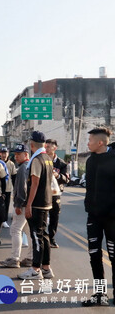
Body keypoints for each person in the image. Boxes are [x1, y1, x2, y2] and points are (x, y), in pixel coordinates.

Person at [81, 127, 115, 307]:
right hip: (93, 217)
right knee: (94, 255)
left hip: (112, 219)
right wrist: (89, 207)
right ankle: (100, 294)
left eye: (90, 140)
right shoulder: (90, 161)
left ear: (100, 142)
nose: (88, 143)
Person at [18, 131, 54, 280]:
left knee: (36, 236)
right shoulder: (48, 158)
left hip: (37, 203)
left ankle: (35, 269)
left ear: (31, 144)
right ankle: (46, 268)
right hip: (46, 202)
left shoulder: (37, 159)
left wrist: (28, 205)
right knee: (44, 235)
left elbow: (35, 183)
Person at [0, 143, 33, 268]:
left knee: (15, 230)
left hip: (22, 204)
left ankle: (15, 258)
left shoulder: (24, 168)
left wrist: (18, 204)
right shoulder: (28, 166)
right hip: (28, 203)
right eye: (16, 154)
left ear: (26, 154)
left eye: (19, 154)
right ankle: (30, 257)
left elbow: (22, 188)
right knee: (28, 231)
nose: (16, 156)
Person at [44, 139, 69, 248]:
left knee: (54, 216)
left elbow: (66, 179)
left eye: (49, 146)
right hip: (43, 193)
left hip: (55, 193)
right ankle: (43, 237)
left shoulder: (61, 163)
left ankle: (52, 238)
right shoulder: (41, 160)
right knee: (43, 216)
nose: (47, 148)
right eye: (46, 146)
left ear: (55, 148)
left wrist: (57, 175)